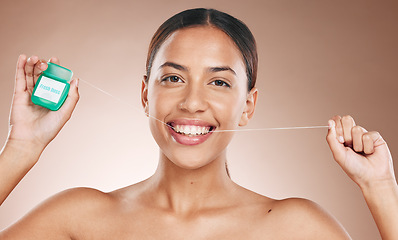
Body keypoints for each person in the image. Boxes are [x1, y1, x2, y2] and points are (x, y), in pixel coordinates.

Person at [0, 8, 397, 239]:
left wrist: (381, 190)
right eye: (173, 78)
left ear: (247, 106)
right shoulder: (80, 217)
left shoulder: (296, 227)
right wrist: (21, 148)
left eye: (219, 82)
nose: (192, 102)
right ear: (144, 94)